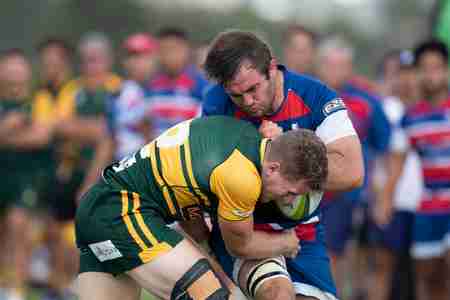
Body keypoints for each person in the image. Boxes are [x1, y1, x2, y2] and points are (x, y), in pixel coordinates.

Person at [75, 116, 329, 300]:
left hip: (98, 208)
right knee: (208, 294)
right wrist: (285, 243)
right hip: (122, 211)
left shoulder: (241, 134)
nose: (286, 200)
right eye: (290, 192)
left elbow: (186, 196)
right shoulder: (242, 177)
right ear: (273, 168)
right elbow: (240, 246)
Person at [202, 30, 364, 300]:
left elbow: (351, 172)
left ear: (272, 67)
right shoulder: (216, 102)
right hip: (245, 231)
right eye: (237, 95)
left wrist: (289, 155)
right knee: (277, 294)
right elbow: (209, 174)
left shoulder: (316, 96)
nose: (248, 102)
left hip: (304, 233)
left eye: (253, 89)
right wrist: (262, 155)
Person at [315, 36, 391, 300]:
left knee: (354, 260)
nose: (335, 70)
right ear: (320, 65)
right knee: (323, 257)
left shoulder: (367, 100)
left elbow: (385, 148)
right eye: (330, 64)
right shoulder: (307, 93)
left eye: (341, 65)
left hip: (352, 194)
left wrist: (382, 196)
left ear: (350, 67)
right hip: (312, 192)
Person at [381, 39, 450, 300]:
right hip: (428, 208)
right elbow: (396, 165)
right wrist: (386, 200)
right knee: (428, 278)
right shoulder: (409, 118)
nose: (431, 74)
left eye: (437, 67)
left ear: (446, 71)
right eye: (425, 68)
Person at [0, 49, 53, 300]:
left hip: (27, 177)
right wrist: (10, 127)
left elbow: (41, 137)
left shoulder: (39, 101)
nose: (14, 72)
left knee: (17, 226)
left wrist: (6, 134)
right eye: (9, 66)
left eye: (19, 66)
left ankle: (15, 290)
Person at [370, 49, 421, 300]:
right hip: (392, 199)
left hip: (427, 200)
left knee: (426, 270)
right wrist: (381, 196)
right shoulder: (385, 108)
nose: (408, 79)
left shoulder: (433, 108)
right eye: (403, 73)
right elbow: (378, 155)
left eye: (413, 73)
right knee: (383, 265)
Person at [146, 27, 209, 137]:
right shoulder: (152, 86)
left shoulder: (200, 86)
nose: (168, 56)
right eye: (163, 51)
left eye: (173, 50)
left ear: (187, 50)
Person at [110, 33, 158, 160]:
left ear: (154, 59)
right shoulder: (118, 92)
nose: (137, 63)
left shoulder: (162, 90)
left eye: (144, 56)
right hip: (126, 163)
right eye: (132, 56)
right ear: (125, 62)